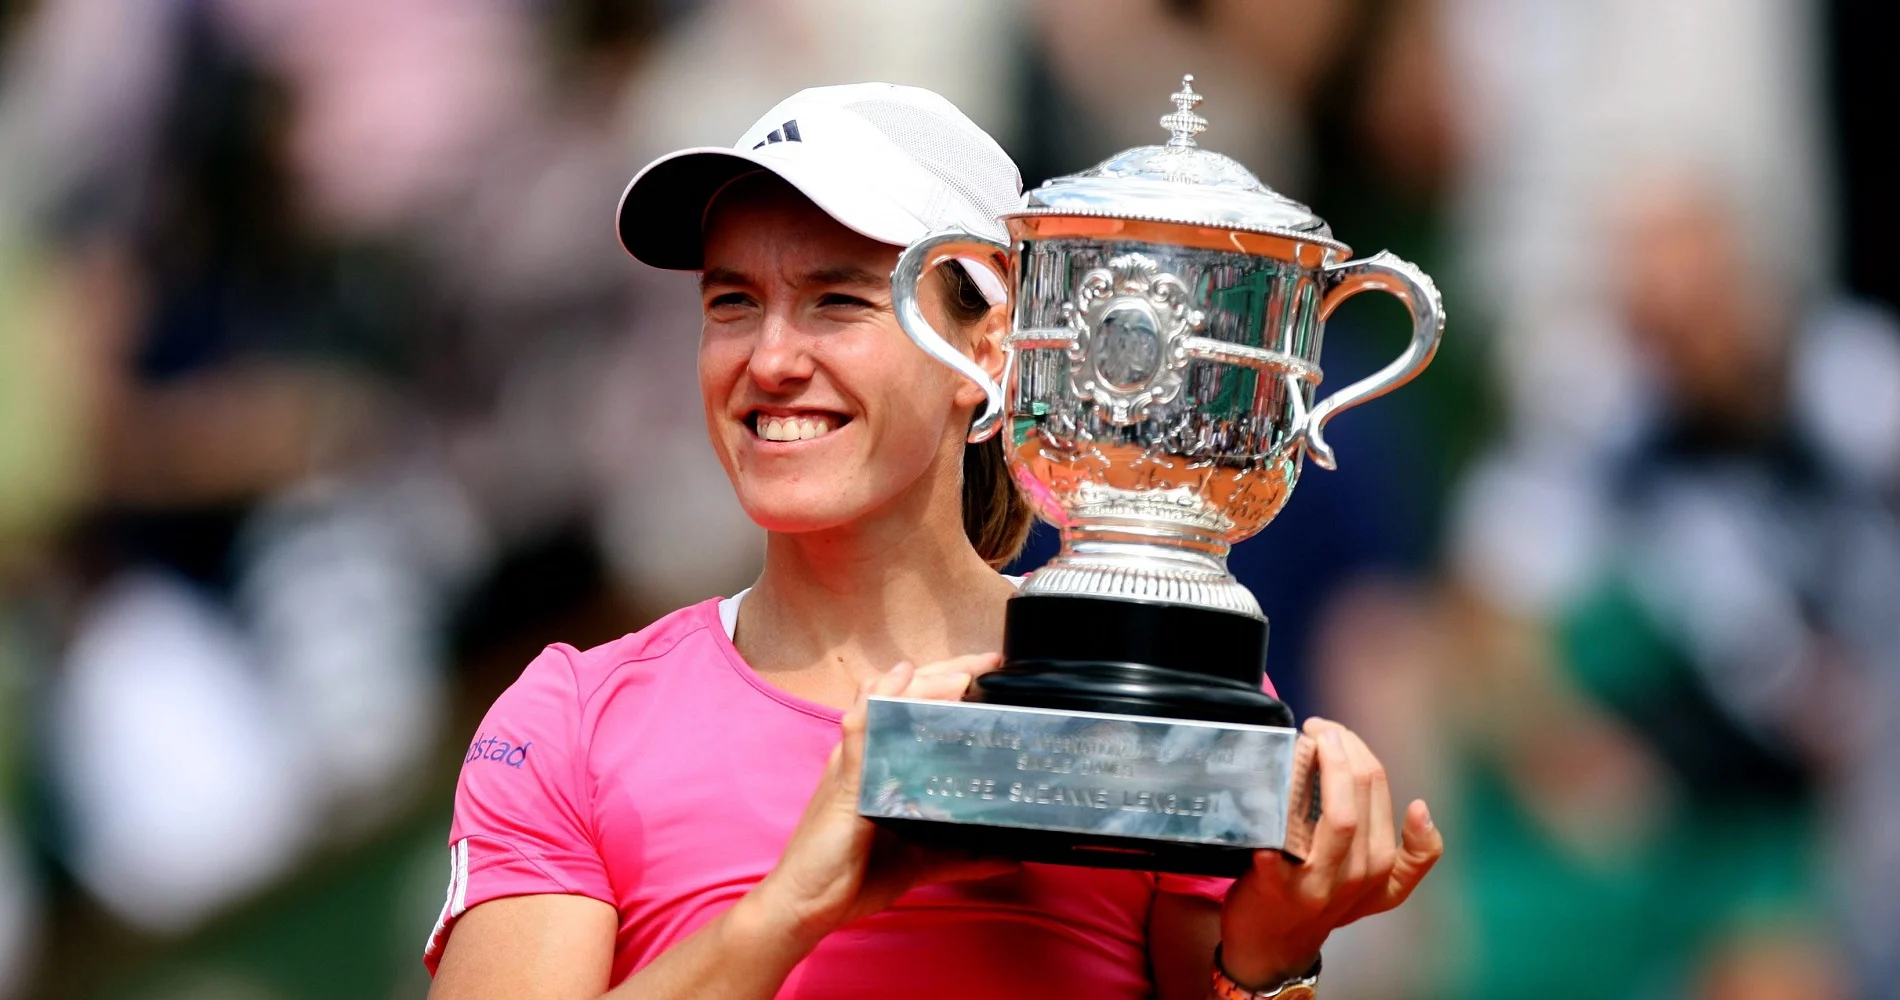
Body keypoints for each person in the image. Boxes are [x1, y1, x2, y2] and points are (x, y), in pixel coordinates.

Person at [423, 83, 1443, 1000]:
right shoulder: (571, 720)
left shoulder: (1143, 684)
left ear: (989, 350)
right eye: (732, 301)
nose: (770, 358)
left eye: (837, 299)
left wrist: (1265, 964)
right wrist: (786, 914)